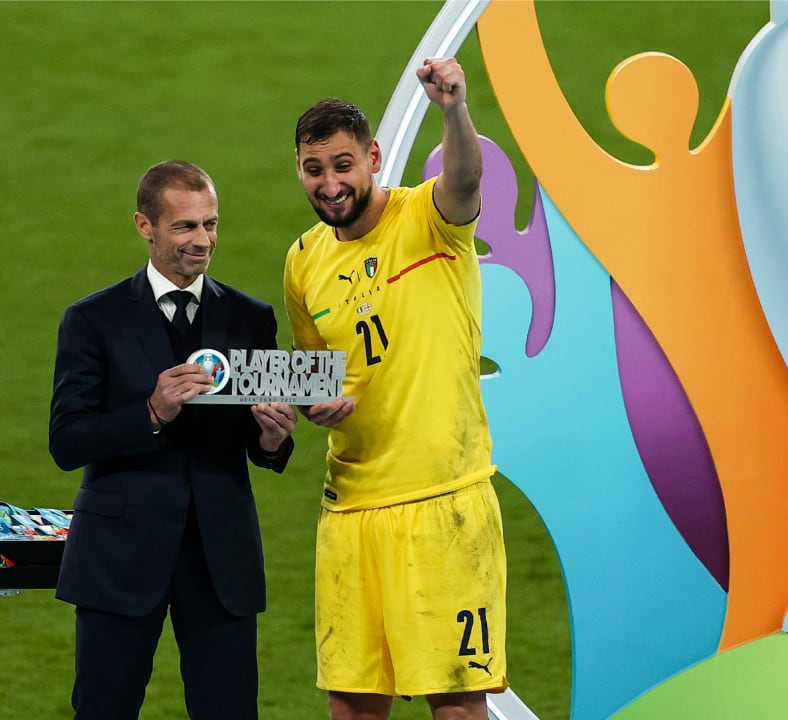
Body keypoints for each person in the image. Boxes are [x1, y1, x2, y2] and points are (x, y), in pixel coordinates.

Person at [283, 56, 505, 720]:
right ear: (299, 169)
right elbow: (315, 371)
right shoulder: (302, 261)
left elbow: (466, 179)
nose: (330, 184)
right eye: (314, 169)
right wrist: (307, 402)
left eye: (343, 165)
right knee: (351, 707)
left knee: (458, 707)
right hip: (350, 512)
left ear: (374, 157)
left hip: (445, 500)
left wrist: (454, 108)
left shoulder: (430, 219)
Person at [49, 159, 298, 720]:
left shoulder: (249, 318)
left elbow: (263, 444)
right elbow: (66, 441)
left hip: (220, 562)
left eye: (210, 224)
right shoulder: (92, 320)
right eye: (185, 227)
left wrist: (271, 438)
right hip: (119, 559)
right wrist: (151, 413)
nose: (203, 240)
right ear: (145, 226)